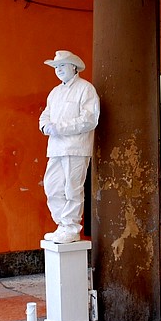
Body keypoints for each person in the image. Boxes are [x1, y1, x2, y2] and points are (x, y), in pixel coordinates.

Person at [39, 50, 100, 244]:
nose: (58, 70)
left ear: (74, 66)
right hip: (56, 148)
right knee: (52, 186)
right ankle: (63, 225)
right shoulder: (55, 92)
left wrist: (60, 128)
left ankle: (72, 228)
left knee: (73, 188)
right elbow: (45, 115)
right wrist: (45, 126)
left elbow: (90, 119)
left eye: (62, 66)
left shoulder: (86, 89)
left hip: (76, 148)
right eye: (56, 67)